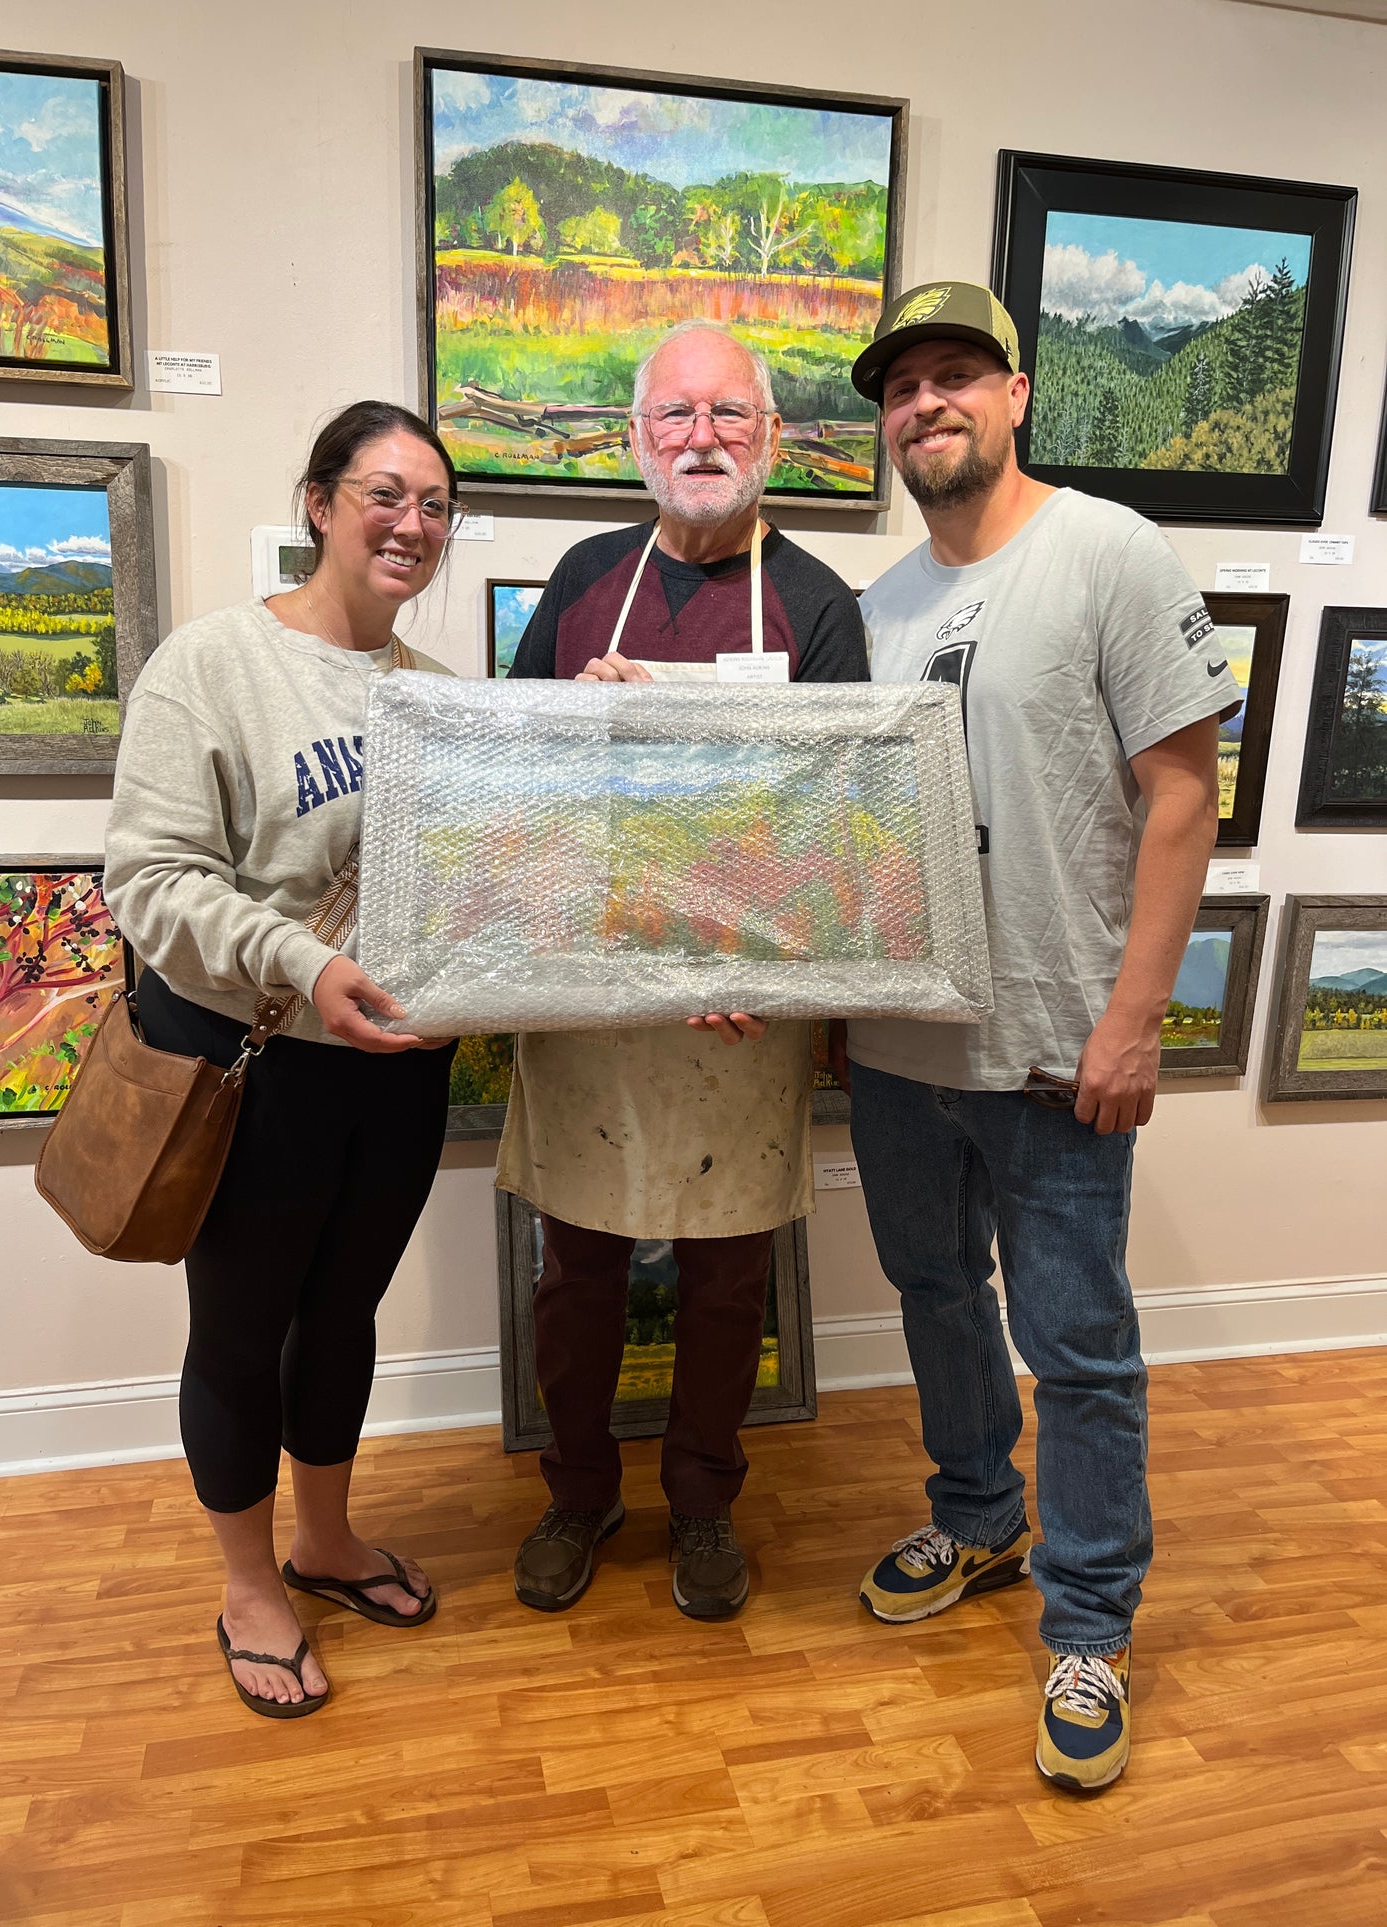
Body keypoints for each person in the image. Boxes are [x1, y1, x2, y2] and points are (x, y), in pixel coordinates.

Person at [839, 282, 1240, 1789]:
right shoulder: (875, 610)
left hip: (1058, 1046)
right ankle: (977, 1517)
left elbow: (1184, 796)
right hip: (900, 1046)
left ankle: (1087, 1620)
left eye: (954, 376)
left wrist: (1134, 1019)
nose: (925, 404)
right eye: (900, 389)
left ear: (1015, 396)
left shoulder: (1105, 553)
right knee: (934, 1295)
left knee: (1076, 1349)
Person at [502, 320, 869, 1619]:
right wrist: (576, 723)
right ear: (634, 440)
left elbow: (837, 824)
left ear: (770, 438)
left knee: (725, 1277)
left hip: (738, 1000)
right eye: (675, 416)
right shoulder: (582, 579)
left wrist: (744, 941)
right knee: (577, 1270)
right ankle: (577, 1490)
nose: (701, 438)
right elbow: (508, 782)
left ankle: (704, 1502)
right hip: (594, 994)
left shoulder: (819, 607)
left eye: (727, 415)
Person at [104, 401, 461, 1718]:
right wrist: (306, 963)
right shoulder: (214, 665)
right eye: (384, 494)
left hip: (396, 1066)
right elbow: (145, 878)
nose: (411, 524)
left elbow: (489, 870)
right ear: (317, 503)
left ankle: (325, 1539)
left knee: (345, 1315)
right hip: (251, 1060)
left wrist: (576, 730)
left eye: (434, 505)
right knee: (243, 1330)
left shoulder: (439, 696)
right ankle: (249, 1582)